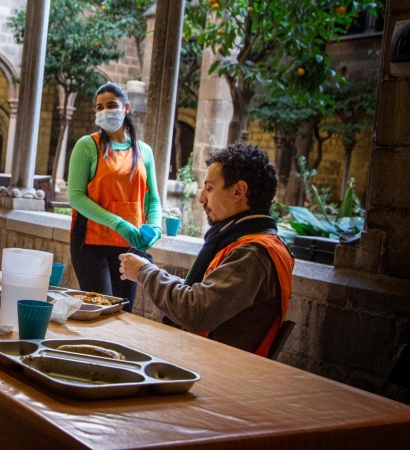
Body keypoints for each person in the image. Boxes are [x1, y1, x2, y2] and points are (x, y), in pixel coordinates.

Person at [119, 143, 294, 356]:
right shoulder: (242, 240)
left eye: (210, 188)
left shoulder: (253, 254)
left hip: (219, 369)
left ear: (239, 191)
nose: (202, 197)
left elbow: (196, 310)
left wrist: (144, 271)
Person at [68, 82, 162, 312]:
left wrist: (155, 228)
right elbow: (76, 197)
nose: (104, 111)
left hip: (129, 246)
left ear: (126, 108)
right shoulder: (87, 146)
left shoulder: (144, 151)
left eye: (111, 105)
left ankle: (114, 351)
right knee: (100, 310)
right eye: (99, 107)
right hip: (90, 244)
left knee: (123, 312)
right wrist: (119, 224)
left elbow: (153, 200)